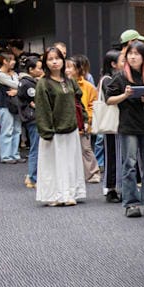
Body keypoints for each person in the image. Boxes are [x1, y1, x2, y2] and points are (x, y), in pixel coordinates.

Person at [104, 40, 144, 218]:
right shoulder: (120, 77)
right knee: (129, 165)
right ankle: (131, 203)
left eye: (137, 54)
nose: (133, 57)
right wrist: (125, 95)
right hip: (128, 125)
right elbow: (108, 99)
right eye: (130, 54)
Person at [33, 46, 86, 207]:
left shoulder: (69, 81)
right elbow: (42, 109)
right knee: (53, 165)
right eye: (50, 59)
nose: (55, 62)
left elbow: (78, 100)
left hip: (71, 128)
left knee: (70, 163)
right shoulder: (43, 83)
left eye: (57, 58)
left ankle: (70, 193)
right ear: (45, 63)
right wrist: (46, 132)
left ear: (63, 60)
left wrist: (84, 119)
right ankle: (54, 195)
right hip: (54, 131)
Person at [67, 55, 100, 184]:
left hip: (84, 124)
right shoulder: (62, 84)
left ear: (78, 70)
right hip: (67, 124)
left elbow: (93, 104)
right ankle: (73, 175)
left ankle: (93, 174)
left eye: (70, 67)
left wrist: (89, 119)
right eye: (66, 67)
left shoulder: (88, 86)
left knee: (86, 149)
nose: (67, 70)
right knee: (69, 151)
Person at [97, 50, 122, 202]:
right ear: (113, 64)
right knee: (111, 154)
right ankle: (110, 187)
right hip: (112, 123)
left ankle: (115, 186)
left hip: (118, 122)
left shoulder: (113, 77)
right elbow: (109, 99)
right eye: (122, 61)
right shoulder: (108, 79)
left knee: (116, 154)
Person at [0, 50, 23, 164]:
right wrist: (19, 88)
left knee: (17, 129)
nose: (14, 62)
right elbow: (18, 85)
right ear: (5, 61)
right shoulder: (0, 75)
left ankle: (15, 154)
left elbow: (19, 86)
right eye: (12, 60)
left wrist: (17, 90)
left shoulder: (14, 73)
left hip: (15, 104)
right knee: (7, 130)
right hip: (4, 105)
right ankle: (6, 156)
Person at [18, 55, 43, 190]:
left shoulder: (25, 82)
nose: (41, 70)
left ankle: (32, 176)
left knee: (35, 147)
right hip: (34, 118)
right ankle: (33, 177)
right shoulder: (29, 84)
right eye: (38, 68)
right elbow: (36, 101)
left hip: (30, 118)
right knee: (36, 148)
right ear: (31, 69)